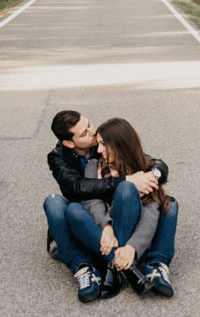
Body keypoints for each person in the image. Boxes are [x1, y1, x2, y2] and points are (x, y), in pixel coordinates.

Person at [43, 110, 177, 302]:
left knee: (168, 204)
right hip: (88, 221)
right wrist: (107, 225)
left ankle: (143, 265)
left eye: (89, 124)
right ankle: (93, 267)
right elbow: (79, 188)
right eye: (84, 133)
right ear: (69, 143)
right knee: (56, 203)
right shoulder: (60, 157)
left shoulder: (107, 142)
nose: (91, 132)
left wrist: (154, 175)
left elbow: (146, 160)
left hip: (122, 219)